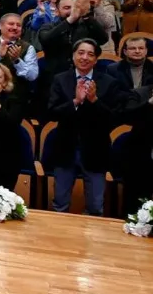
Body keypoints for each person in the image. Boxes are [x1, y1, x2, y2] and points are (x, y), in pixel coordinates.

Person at [47, 39, 125, 215]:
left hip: (96, 151)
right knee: (60, 204)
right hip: (65, 148)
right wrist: (75, 101)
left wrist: (94, 100)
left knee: (96, 207)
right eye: (80, 53)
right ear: (73, 56)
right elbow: (51, 112)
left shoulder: (109, 82)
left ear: (96, 59)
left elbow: (113, 119)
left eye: (90, 54)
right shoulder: (61, 79)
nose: (84, 57)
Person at [114, 37, 153, 213]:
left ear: (146, 50)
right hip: (121, 121)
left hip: (148, 127)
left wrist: (134, 99)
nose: (137, 51)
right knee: (132, 180)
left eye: (141, 48)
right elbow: (117, 99)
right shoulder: (113, 69)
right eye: (132, 48)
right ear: (125, 51)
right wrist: (145, 99)